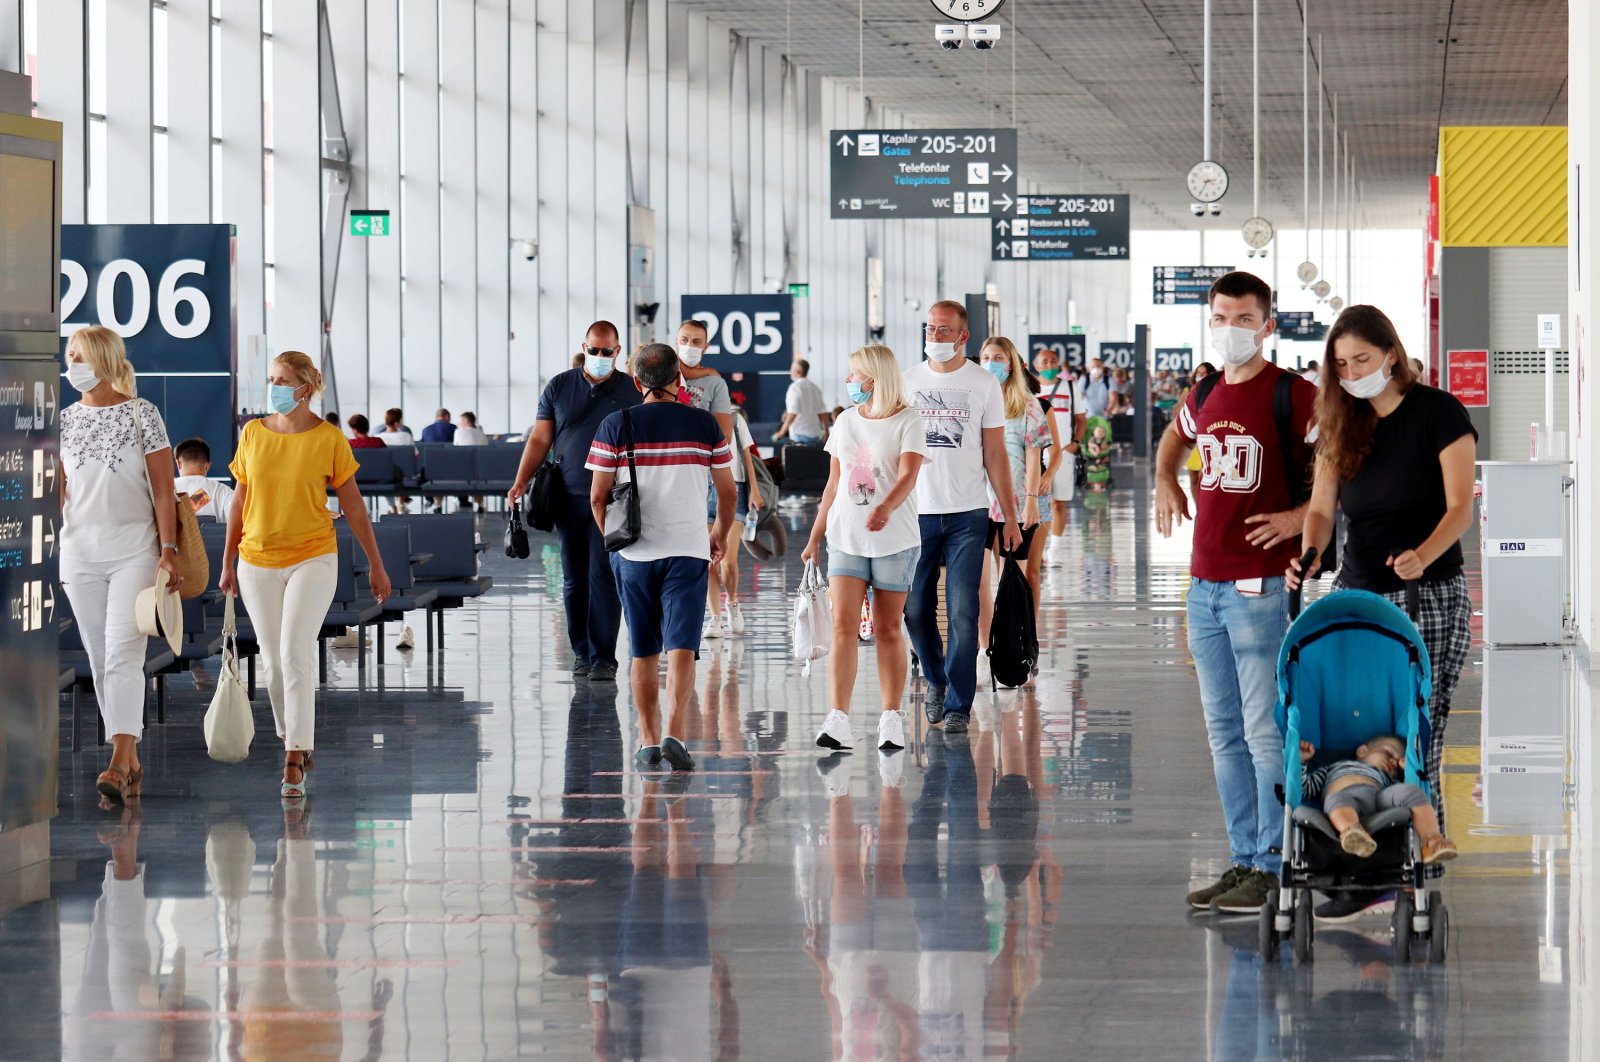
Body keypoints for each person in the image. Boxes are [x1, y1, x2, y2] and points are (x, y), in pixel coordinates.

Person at [1286, 304, 1475, 918]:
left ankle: (1411, 863)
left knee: (1417, 732)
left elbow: (1459, 508)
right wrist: (1310, 552)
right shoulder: (1340, 422)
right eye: (1340, 365)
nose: (1351, 373)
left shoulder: (1438, 413)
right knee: (1349, 733)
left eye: (1361, 360)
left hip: (1430, 592)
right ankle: (1353, 861)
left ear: (1391, 354)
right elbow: (1320, 508)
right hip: (1358, 596)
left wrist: (1423, 553)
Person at [1154, 270, 1317, 915]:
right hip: (1204, 587)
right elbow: (1175, 438)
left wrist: (1302, 516)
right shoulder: (1207, 390)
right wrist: (1166, 477)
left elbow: (1343, 463)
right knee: (1223, 732)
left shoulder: (1294, 395)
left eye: (1244, 318)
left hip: (1259, 589)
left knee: (1262, 732)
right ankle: (1245, 858)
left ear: (1267, 324)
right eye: (1220, 317)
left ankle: (1277, 863)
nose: (1230, 329)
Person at [220, 351, 391, 802]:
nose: (274, 387)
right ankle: (292, 733)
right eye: (271, 379)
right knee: (273, 664)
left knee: (295, 653)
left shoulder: (329, 438)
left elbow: (352, 504)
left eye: (282, 380)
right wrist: (226, 561)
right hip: (256, 560)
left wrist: (375, 561)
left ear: (305, 387)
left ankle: (295, 754)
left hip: (312, 557)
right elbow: (238, 501)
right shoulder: (252, 434)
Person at [587, 343, 734, 772]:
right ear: (679, 381)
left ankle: (648, 741)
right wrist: (719, 534)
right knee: (683, 647)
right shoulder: (704, 424)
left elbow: (598, 499)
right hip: (688, 551)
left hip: (634, 554)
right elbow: (728, 492)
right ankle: (675, 734)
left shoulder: (617, 424)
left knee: (643, 651)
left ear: (637, 382)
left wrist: (616, 543)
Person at [58, 326, 183, 805]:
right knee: (98, 657)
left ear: (104, 360)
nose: (71, 366)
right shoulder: (63, 420)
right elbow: (60, 491)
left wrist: (168, 551)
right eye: (69, 356)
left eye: (79, 356)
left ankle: (117, 757)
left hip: (136, 551)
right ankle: (129, 760)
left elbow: (163, 488)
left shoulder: (141, 414)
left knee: (122, 655)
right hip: (79, 554)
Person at [801, 343, 927, 764]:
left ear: (876, 377)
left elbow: (908, 474)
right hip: (846, 538)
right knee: (843, 625)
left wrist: (887, 507)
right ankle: (837, 717)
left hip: (895, 540)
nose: (849, 381)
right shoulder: (845, 422)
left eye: (856, 375)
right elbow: (833, 485)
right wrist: (815, 535)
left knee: (890, 627)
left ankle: (891, 717)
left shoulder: (909, 421)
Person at [903, 301, 1021, 734]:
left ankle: (958, 703)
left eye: (944, 329)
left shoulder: (983, 383)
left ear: (963, 336)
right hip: (916, 514)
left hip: (969, 514)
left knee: (963, 610)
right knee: (915, 610)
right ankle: (934, 677)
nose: (935, 336)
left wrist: (1009, 515)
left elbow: (995, 454)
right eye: (930, 328)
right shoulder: (907, 382)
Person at [508, 321, 642, 682]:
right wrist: (521, 480)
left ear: (618, 351)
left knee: (603, 577)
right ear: (584, 347)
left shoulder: (632, 389)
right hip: (568, 497)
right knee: (573, 579)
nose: (599, 357)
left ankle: (603, 658)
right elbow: (540, 439)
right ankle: (581, 653)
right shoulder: (560, 386)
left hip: (613, 500)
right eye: (593, 350)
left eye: (607, 351)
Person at [976, 337, 1050, 655]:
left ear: (1011, 364)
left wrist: (1032, 500)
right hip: (977, 502)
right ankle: (985, 648)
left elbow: (1034, 458)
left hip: (1015, 504)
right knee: (980, 581)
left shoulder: (1028, 406)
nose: (991, 363)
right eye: (986, 357)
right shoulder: (974, 401)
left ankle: (1015, 644)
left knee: (1013, 579)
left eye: (998, 357)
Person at [672, 319, 739, 640]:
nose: (689, 345)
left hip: (702, 482)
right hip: (665, 481)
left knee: (704, 554)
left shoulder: (715, 385)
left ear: (705, 346)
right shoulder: (663, 373)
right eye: (684, 339)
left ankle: (706, 616)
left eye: (696, 341)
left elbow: (724, 434)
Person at [1299, 735, 1458, 863]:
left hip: (1379, 798)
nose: (1393, 762)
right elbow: (1306, 789)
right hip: (1345, 797)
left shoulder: (1388, 778)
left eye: (1397, 763)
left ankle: (1432, 840)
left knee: (1412, 792)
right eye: (1389, 753)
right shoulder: (1332, 768)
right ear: (1362, 751)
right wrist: (1301, 761)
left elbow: (1403, 794)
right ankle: (1352, 832)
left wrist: (1407, 769)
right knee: (1335, 799)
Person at [718, 407, 763, 636]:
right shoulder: (692, 414)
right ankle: (715, 617)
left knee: (728, 560)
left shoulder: (735, 418)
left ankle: (732, 603)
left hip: (734, 488)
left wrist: (754, 490)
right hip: (703, 488)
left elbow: (747, 455)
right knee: (708, 561)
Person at [1034, 346, 1081, 552]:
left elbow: (1081, 419)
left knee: (1058, 503)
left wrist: (1075, 444)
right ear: (1036, 365)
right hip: (1036, 454)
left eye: (1053, 361)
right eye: (1044, 362)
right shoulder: (1030, 389)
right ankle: (1039, 550)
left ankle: (1054, 551)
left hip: (1062, 454)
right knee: (1038, 502)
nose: (1049, 365)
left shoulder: (1070, 388)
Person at [173, 437, 237, 524]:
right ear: (207, 466)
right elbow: (240, 522)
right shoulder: (222, 492)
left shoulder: (165, 491)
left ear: (178, 463)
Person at [774, 358, 831, 446]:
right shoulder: (815, 388)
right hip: (816, 435)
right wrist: (827, 432)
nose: (790, 371)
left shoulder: (795, 388)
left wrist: (781, 432)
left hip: (800, 435)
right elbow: (823, 412)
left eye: (791, 369)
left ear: (797, 371)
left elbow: (792, 413)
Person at [376, 409, 415, 513]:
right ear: (397, 423)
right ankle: (401, 502)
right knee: (401, 474)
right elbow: (416, 455)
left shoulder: (378, 438)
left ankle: (392, 506)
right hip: (404, 474)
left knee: (387, 474)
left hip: (384, 475)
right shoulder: (406, 436)